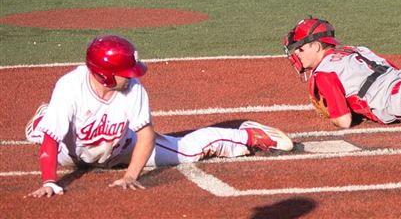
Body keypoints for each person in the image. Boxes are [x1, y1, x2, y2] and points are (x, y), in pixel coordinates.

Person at [25, 35, 294, 198]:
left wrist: (131, 175)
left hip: (122, 147)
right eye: (125, 71)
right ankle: (44, 118)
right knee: (48, 131)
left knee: (188, 151)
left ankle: (246, 136)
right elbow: (51, 139)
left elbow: (145, 136)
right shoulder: (70, 86)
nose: (132, 76)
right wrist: (49, 181)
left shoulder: (133, 89)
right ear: (104, 74)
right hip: (69, 152)